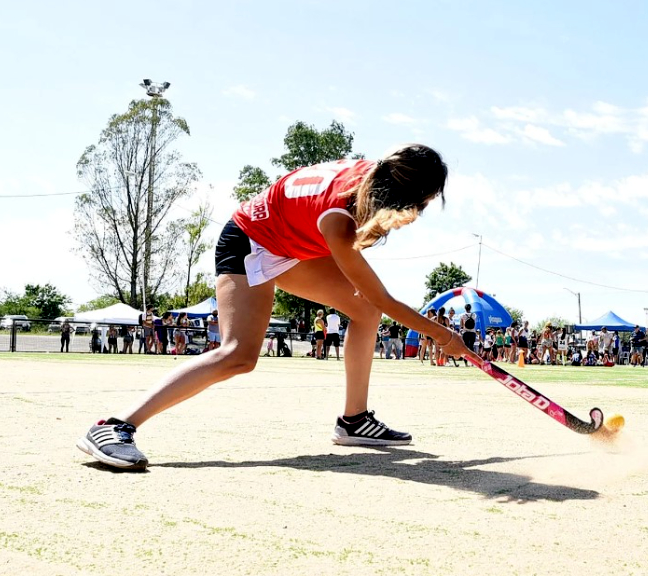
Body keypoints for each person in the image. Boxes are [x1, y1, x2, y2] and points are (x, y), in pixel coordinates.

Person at [77, 144, 475, 470]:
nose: (416, 216)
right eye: (417, 207)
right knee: (238, 355)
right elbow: (382, 298)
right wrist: (441, 333)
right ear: (397, 196)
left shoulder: (377, 173)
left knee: (364, 314)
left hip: (290, 242)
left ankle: (354, 420)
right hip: (250, 241)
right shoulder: (339, 218)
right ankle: (115, 426)